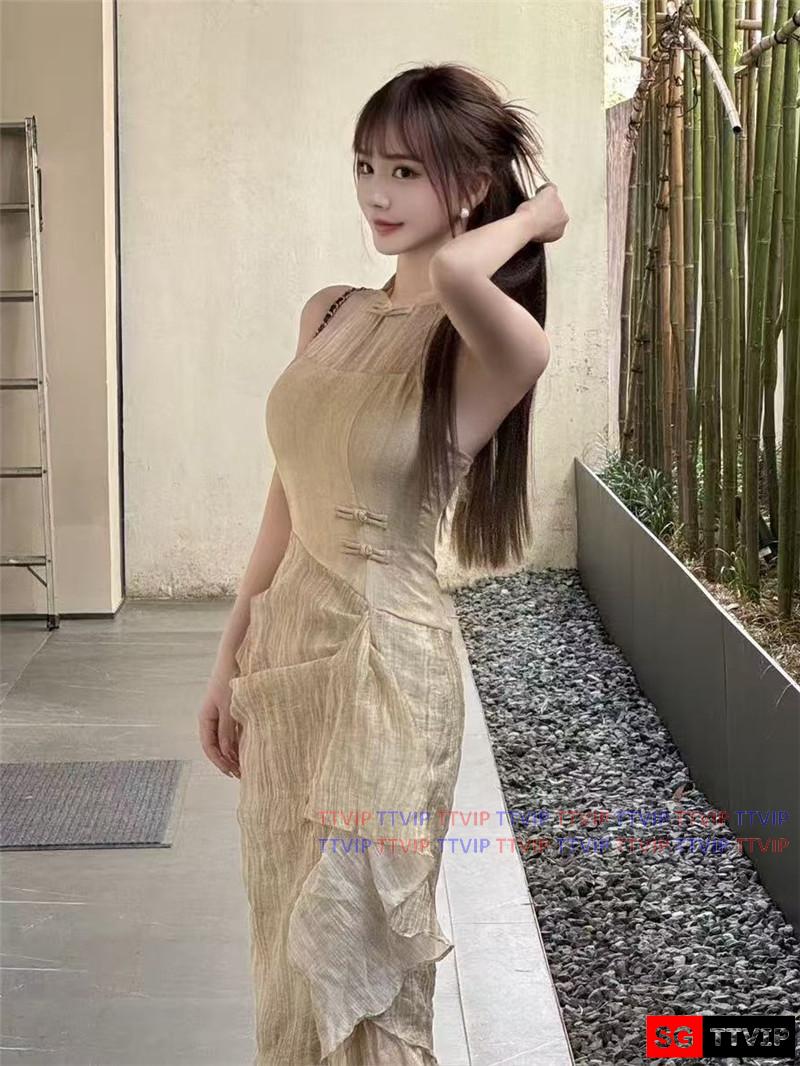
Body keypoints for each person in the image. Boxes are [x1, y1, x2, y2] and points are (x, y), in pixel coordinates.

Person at [198, 61, 568, 1066]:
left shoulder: (496, 341)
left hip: (388, 675)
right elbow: (284, 501)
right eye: (365, 165)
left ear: (472, 186)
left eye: (406, 171)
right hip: (289, 658)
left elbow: (454, 277)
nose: (376, 193)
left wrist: (533, 219)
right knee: (287, 944)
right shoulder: (328, 312)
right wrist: (229, 658)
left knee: (358, 959)